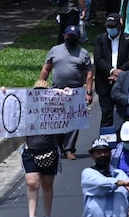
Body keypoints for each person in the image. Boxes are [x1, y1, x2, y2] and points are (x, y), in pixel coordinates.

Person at [39, 24, 93, 157]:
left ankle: (69, 149)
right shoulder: (54, 50)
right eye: (69, 36)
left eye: (74, 36)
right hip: (57, 91)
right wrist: (41, 84)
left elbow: (89, 74)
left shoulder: (83, 53)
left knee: (74, 121)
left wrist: (88, 92)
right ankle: (58, 147)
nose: (71, 38)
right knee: (57, 121)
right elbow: (46, 68)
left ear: (78, 38)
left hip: (76, 92)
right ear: (64, 36)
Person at [22, 82, 61, 217]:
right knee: (32, 183)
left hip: (49, 151)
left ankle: (47, 215)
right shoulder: (26, 109)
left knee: (47, 184)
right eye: (37, 92)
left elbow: (69, 109)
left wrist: (66, 94)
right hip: (30, 151)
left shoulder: (56, 109)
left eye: (44, 92)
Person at [93, 14, 126, 129]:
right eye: (108, 27)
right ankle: (105, 138)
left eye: (113, 27)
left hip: (122, 83)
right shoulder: (100, 39)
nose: (110, 29)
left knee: (124, 114)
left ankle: (123, 137)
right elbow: (98, 60)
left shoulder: (128, 39)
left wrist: (120, 72)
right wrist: (112, 71)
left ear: (119, 26)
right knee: (106, 114)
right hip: (105, 82)